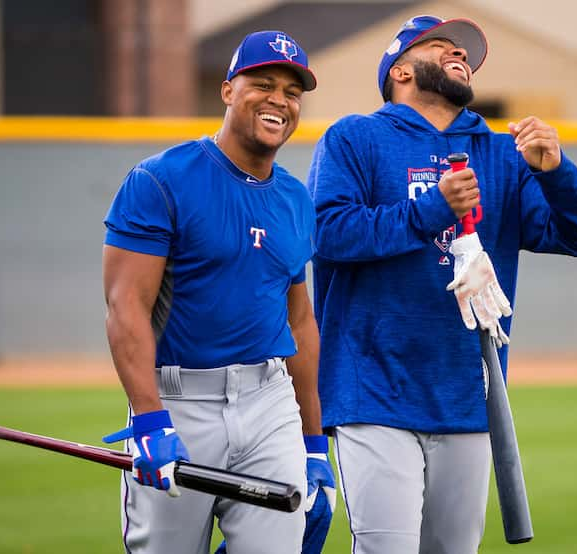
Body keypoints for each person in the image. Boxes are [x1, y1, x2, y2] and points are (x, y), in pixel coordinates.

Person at [306, 15, 577, 554]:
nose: (460, 56)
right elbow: (328, 234)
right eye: (442, 46)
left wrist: (555, 171)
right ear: (400, 69)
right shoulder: (355, 137)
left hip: (469, 393)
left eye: (465, 53)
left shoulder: (500, 153)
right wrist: (431, 209)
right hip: (374, 390)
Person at [101, 30, 334, 554]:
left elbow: (299, 323)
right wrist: (148, 416)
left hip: (269, 401)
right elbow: (126, 306)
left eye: (292, 92)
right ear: (228, 90)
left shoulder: (297, 199)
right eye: (264, 84)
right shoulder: (160, 180)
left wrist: (314, 442)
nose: (280, 100)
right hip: (180, 402)